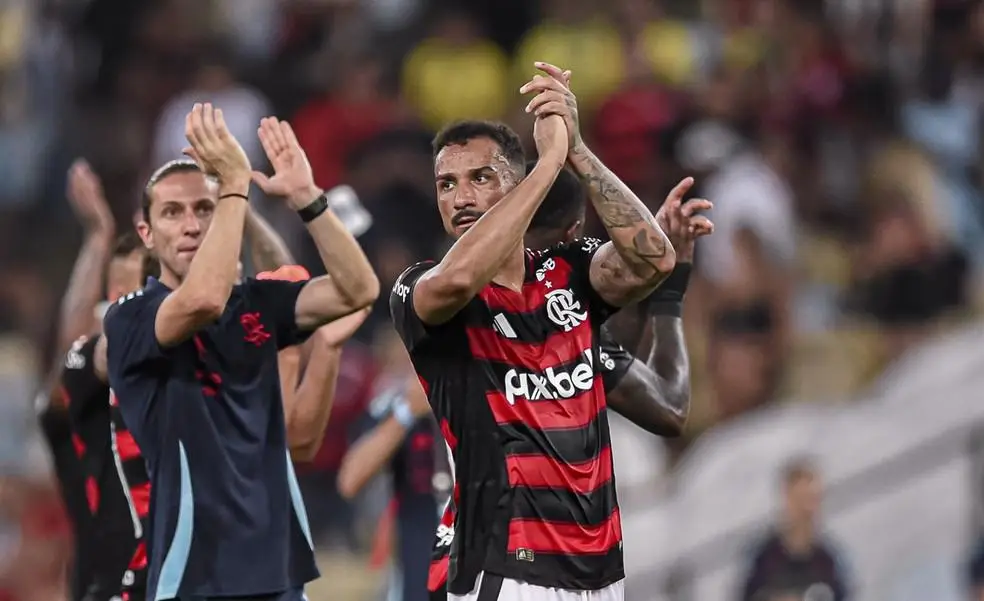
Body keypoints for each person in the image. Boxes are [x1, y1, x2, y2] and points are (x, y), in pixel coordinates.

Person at [389, 61, 706, 600]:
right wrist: (550, 161)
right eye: (446, 184)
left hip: (599, 573)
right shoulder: (423, 289)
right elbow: (462, 275)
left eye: (479, 177)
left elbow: (653, 261)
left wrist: (577, 150)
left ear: (516, 186)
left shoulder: (567, 274)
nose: (460, 196)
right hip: (506, 569)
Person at [37, 158, 367, 601]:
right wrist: (230, 189)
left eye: (204, 210)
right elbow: (199, 300)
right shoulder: (126, 321)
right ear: (148, 236)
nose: (192, 225)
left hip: (276, 573)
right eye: (173, 212)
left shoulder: (252, 308)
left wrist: (307, 199)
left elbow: (354, 291)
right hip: (168, 573)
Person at [739, 458, 852, 601]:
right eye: (800, 499)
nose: (807, 509)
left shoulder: (828, 563)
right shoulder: (764, 560)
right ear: (787, 499)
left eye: (812, 499)